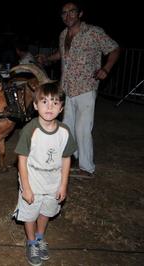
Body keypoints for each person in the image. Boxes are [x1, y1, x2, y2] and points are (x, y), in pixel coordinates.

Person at [37, 1, 120, 178]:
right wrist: (48, 59)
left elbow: (114, 49)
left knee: (83, 128)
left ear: (80, 13)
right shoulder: (63, 34)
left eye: (71, 11)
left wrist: (106, 69)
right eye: (64, 13)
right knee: (67, 127)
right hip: (68, 87)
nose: (68, 16)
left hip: (86, 87)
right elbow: (62, 53)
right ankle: (71, 160)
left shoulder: (93, 32)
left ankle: (87, 168)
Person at [12, 82, 76, 266]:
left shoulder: (64, 132)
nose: (49, 107)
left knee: (46, 211)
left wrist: (63, 185)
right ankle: (31, 242)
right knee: (30, 213)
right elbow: (22, 160)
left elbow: (66, 159)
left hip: (53, 180)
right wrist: (26, 187)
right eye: (44, 101)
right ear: (35, 105)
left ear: (61, 107)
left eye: (55, 103)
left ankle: (40, 237)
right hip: (33, 179)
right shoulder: (30, 130)